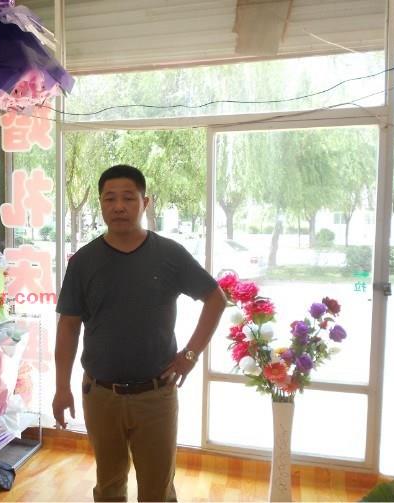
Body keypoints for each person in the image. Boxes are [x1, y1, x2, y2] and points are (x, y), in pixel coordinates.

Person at [53, 165, 226, 502]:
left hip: (156, 396)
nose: (119, 207)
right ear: (101, 204)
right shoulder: (83, 262)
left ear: (145, 202)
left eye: (128, 198)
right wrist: (61, 388)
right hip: (101, 395)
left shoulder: (169, 254)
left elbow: (216, 299)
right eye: (110, 199)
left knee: (157, 490)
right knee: (109, 486)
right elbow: (68, 326)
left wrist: (190, 355)